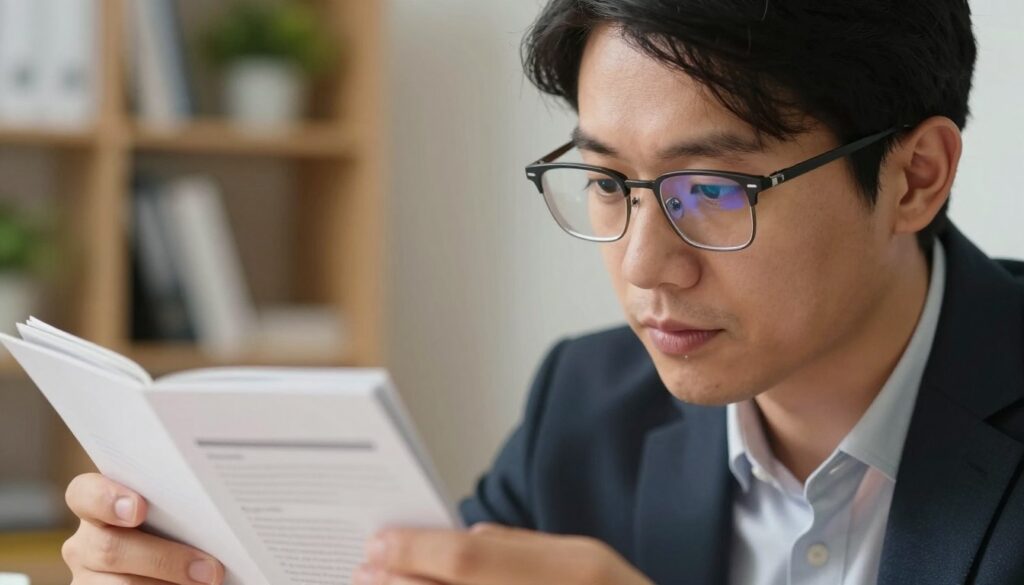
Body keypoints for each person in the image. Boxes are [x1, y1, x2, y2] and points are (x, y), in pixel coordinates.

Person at [60, 1, 1024, 584]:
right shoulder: (587, 403)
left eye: (712, 192)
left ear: (915, 177)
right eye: (610, 182)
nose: (646, 267)